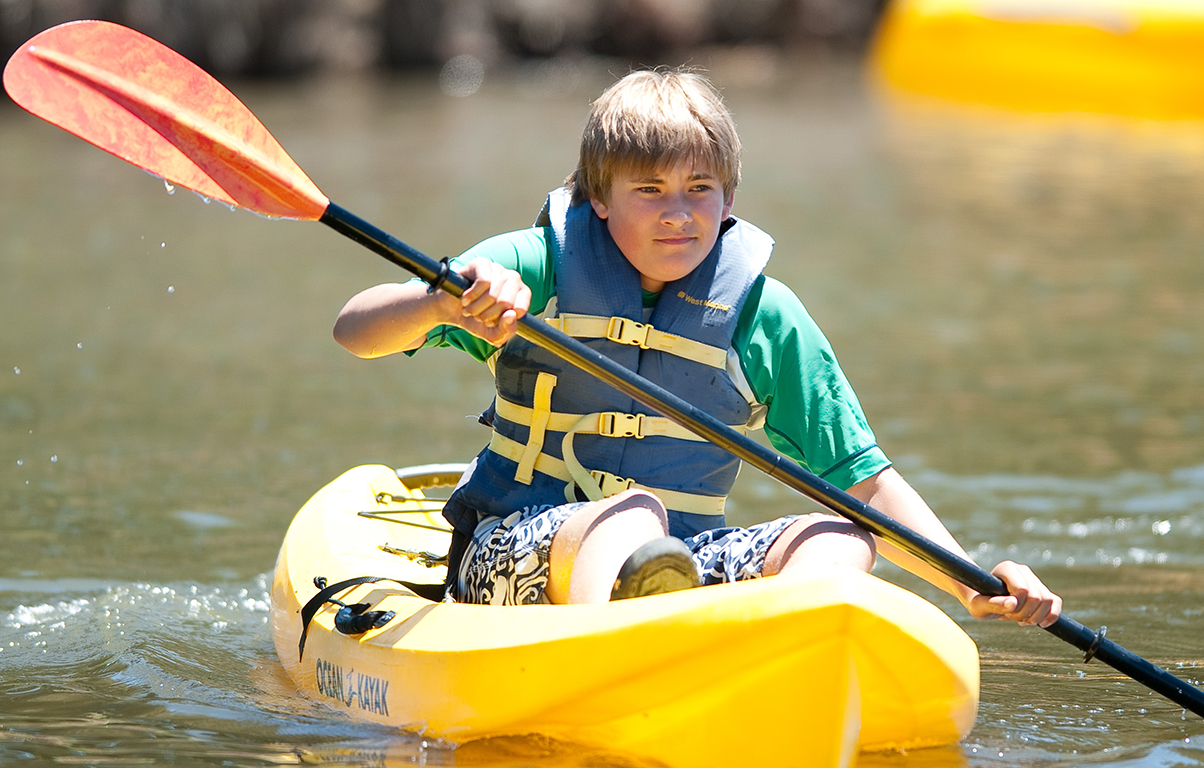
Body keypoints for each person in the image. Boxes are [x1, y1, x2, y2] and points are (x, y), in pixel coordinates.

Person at [333, 68, 1061, 626]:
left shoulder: (762, 317)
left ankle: (778, 677)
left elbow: (863, 482)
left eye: (699, 188)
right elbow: (355, 331)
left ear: (729, 198)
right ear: (598, 195)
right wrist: (438, 301)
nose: (678, 214)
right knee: (630, 517)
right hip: (513, 548)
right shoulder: (531, 268)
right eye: (649, 189)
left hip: (683, 567)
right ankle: (608, 666)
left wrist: (975, 585)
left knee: (837, 538)